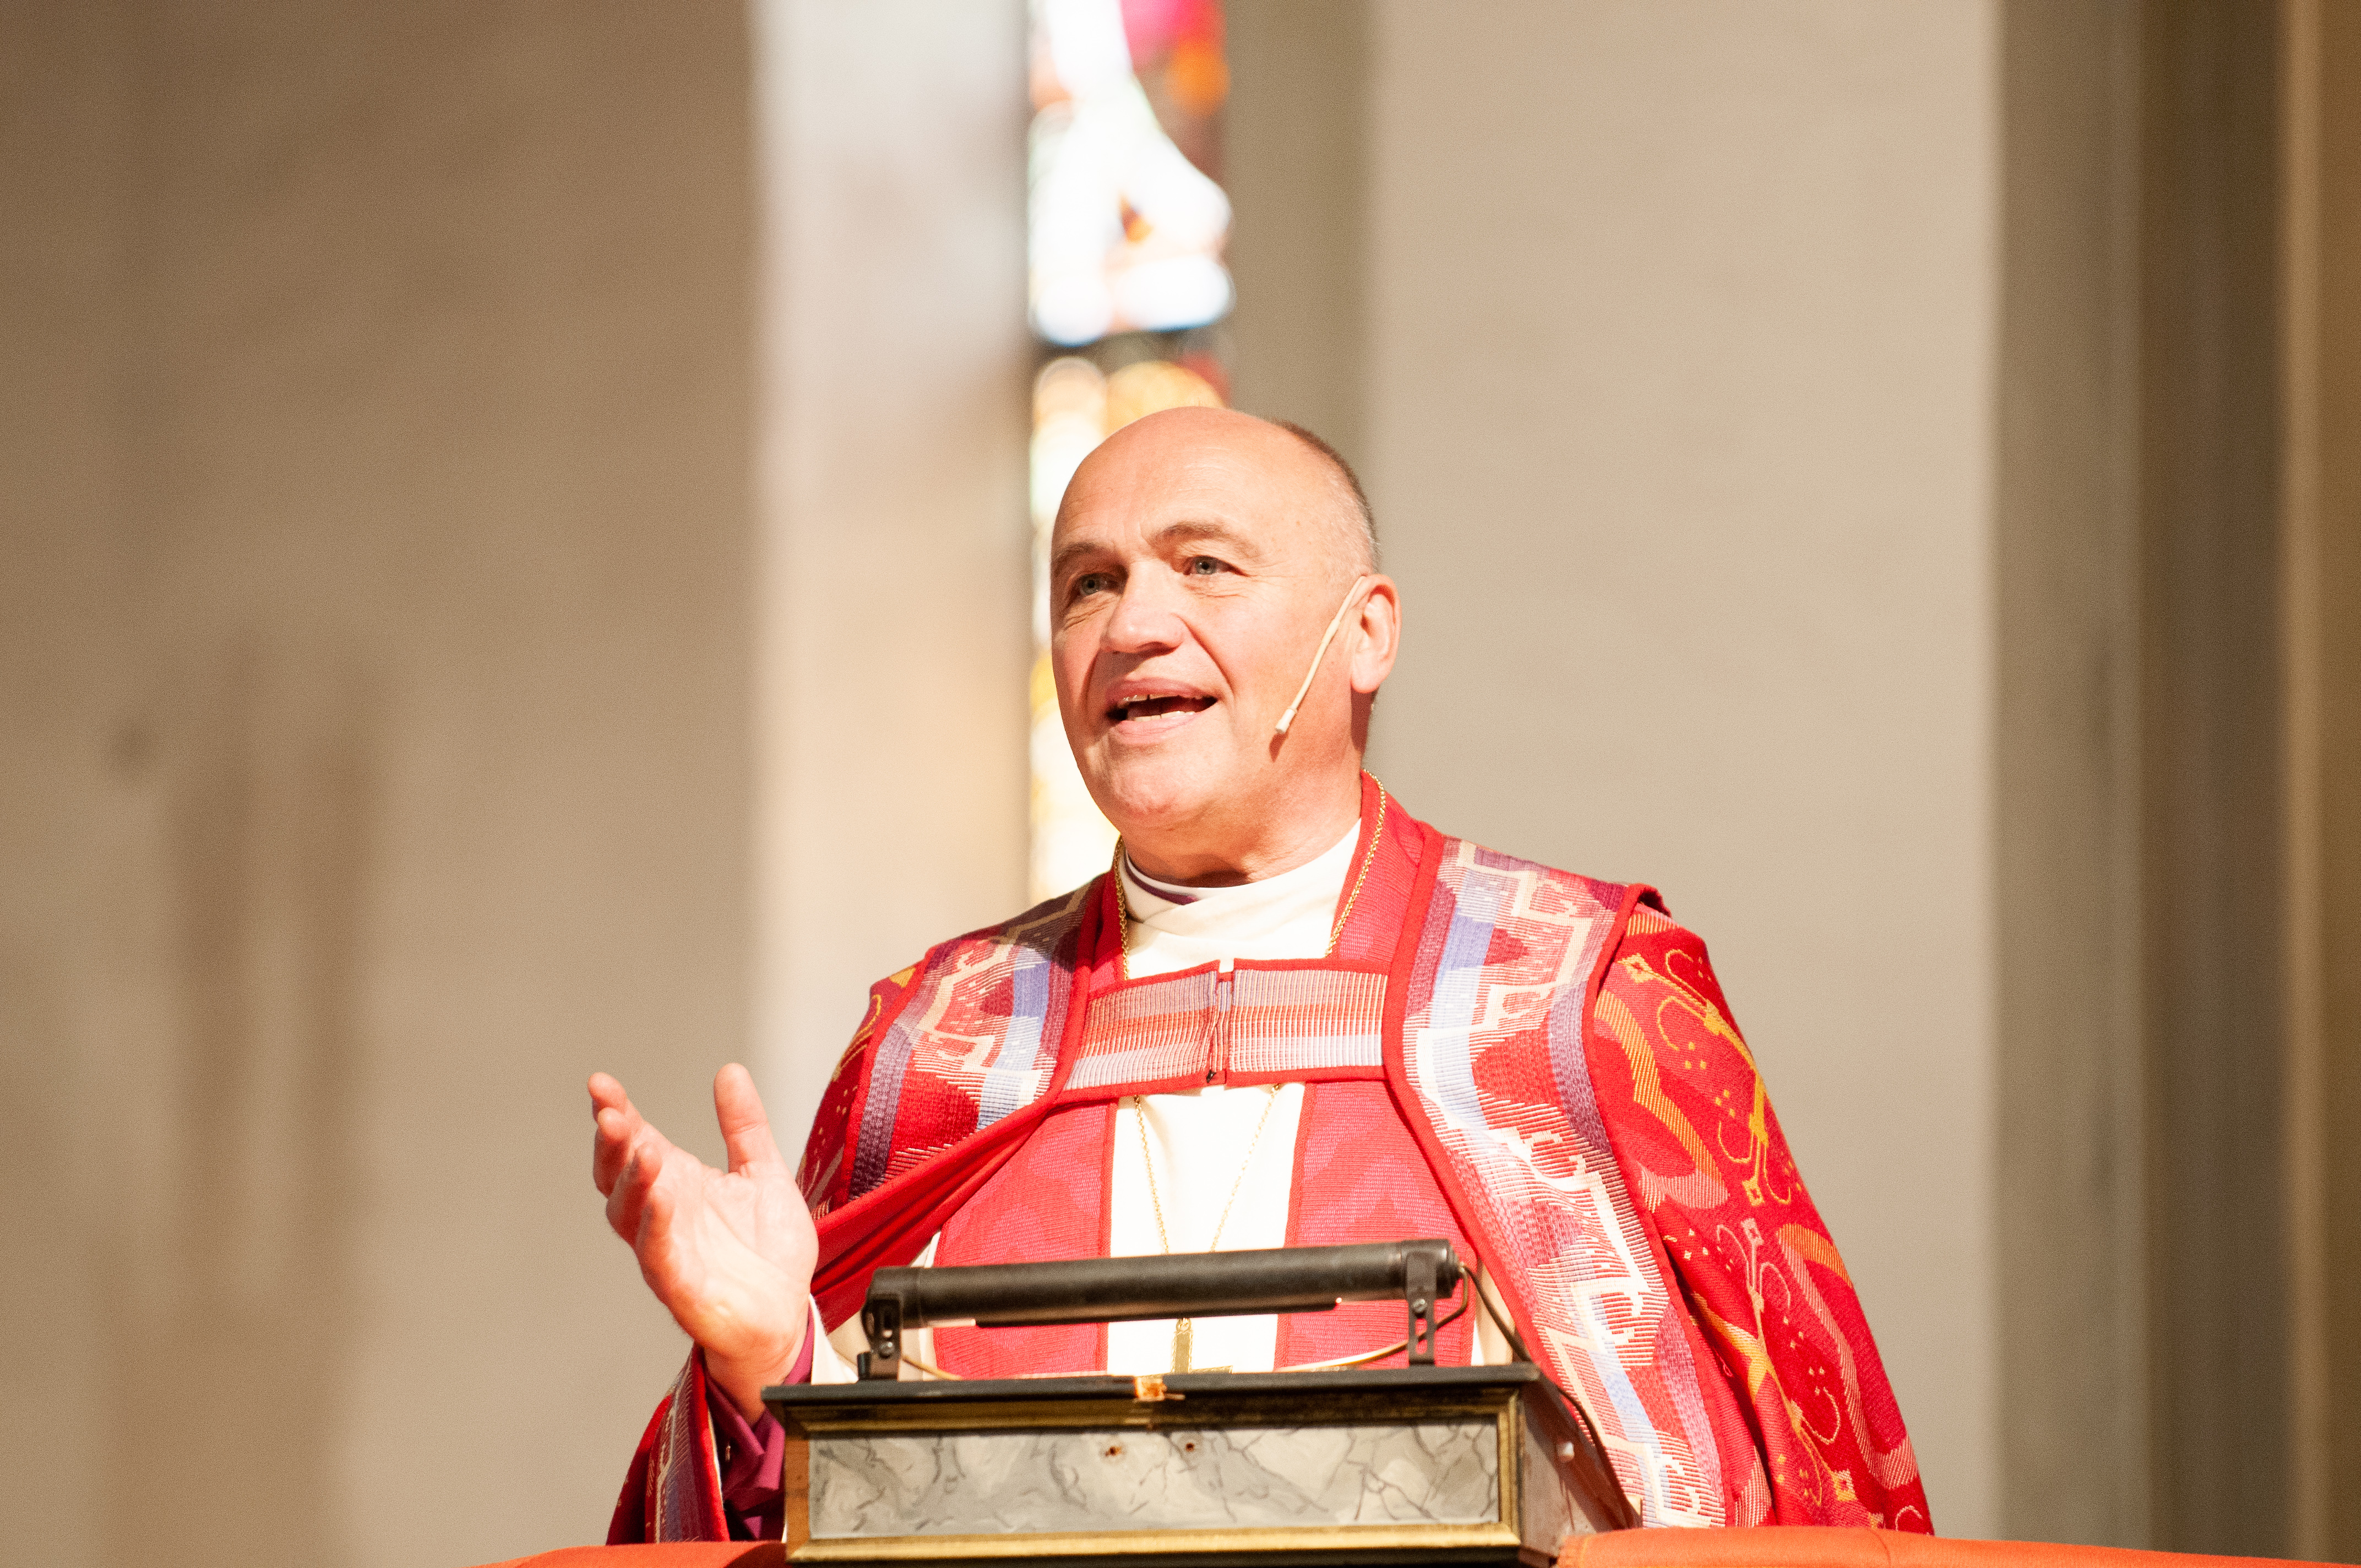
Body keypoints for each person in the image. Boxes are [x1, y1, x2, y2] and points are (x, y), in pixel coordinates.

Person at [590, 408, 1930, 1543]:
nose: (1133, 623)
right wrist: (769, 1365)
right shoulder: (937, 1045)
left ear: (1366, 635)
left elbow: (1794, 1493)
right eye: (1088, 582)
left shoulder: (1575, 998)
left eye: (1204, 565)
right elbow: (828, 1516)